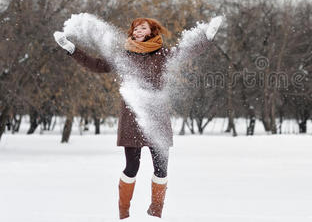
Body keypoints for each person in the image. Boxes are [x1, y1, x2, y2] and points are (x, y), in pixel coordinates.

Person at [53, 16, 222, 219]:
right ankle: (124, 213)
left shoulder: (163, 55)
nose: (137, 31)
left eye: (142, 28)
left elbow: (186, 52)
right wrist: (71, 49)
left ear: (151, 31)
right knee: (132, 167)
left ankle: (155, 212)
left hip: (157, 119)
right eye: (134, 28)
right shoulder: (124, 56)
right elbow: (97, 65)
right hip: (132, 118)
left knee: (161, 169)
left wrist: (207, 36)